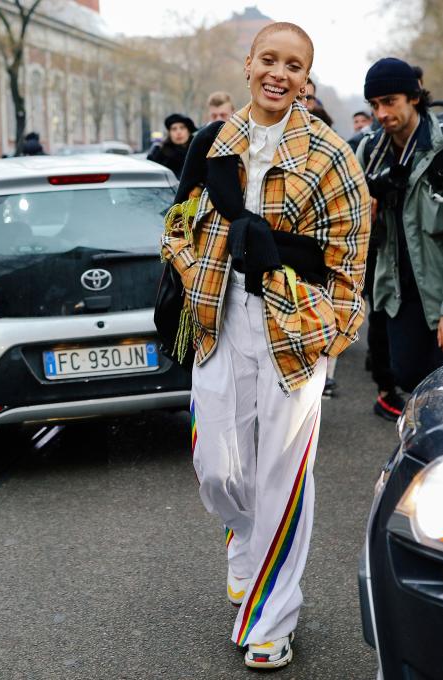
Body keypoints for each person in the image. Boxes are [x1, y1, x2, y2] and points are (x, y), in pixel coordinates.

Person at [161, 21, 369, 670]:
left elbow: (350, 260)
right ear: (249, 66)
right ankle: (247, 545)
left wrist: (331, 335)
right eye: (270, 60)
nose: (281, 73)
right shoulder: (211, 143)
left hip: (295, 335)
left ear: (306, 78)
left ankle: (271, 622)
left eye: (295, 65)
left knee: (284, 478)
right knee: (218, 470)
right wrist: (193, 269)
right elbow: (176, 223)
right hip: (218, 328)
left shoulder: (332, 154)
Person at [358, 58, 443, 393]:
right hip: (398, 293)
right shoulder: (369, 152)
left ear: (414, 97)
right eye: (375, 105)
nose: (381, 114)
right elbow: (364, 238)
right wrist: (368, 217)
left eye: (390, 102)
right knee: (407, 378)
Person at [147, 113, 194, 179]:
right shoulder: (159, 151)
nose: (178, 132)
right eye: (174, 129)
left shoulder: (198, 151)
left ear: (188, 131)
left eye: (182, 128)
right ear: (169, 133)